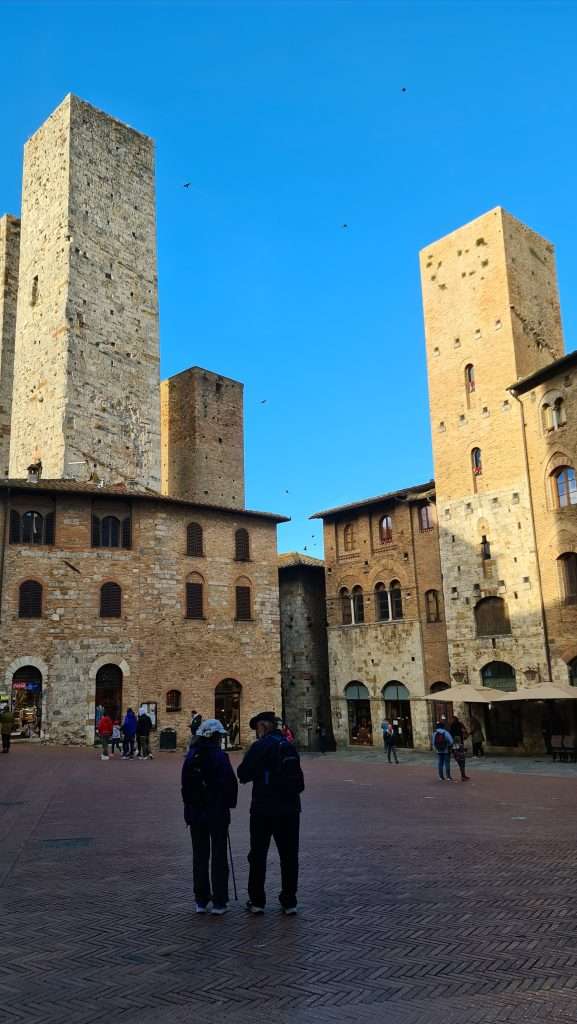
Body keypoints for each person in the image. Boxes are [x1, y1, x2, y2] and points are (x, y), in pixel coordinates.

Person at [237, 711, 304, 915]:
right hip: (291, 809)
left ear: (263, 726)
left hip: (263, 809)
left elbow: (242, 774)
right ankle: (289, 901)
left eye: (257, 727)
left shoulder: (260, 746)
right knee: (289, 856)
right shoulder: (289, 746)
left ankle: (257, 901)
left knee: (257, 855)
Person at [182, 718, 238, 915]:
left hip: (196, 813)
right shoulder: (220, 757)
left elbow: (185, 788)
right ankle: (220, 901)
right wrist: (228, 804)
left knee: (200, 856)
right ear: (213, 737)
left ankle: (201, 899)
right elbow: (231, 784)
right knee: (219, 855)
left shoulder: (191, 756)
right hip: (216, 812)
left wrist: (188, 811)